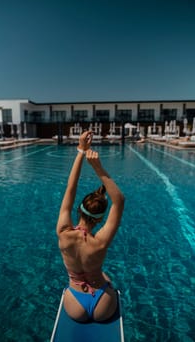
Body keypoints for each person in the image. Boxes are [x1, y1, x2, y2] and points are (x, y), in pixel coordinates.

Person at [56, 131, 125, 322]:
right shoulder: (100, 242)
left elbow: (71, 187)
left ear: (79, 210)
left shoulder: (63, 233)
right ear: (100, 219)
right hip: (102, 304)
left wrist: (81, 151)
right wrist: (97, 167)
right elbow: (119, 201)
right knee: (106, 277)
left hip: (74, 304)